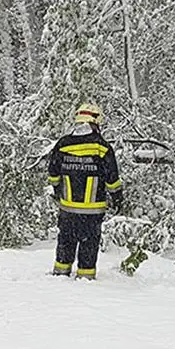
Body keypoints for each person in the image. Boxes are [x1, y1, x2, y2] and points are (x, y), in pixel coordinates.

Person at [47, 103, 124, 280]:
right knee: (89, 245)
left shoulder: (63, 144)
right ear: (95, 121)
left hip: (67, 209)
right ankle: (85, 278)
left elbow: (53, 173)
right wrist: (118, 199)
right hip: (92, 210)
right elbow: (112, 178)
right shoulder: (101, 147)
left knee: (65, 242)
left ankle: (60, 274)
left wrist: (58, 190)